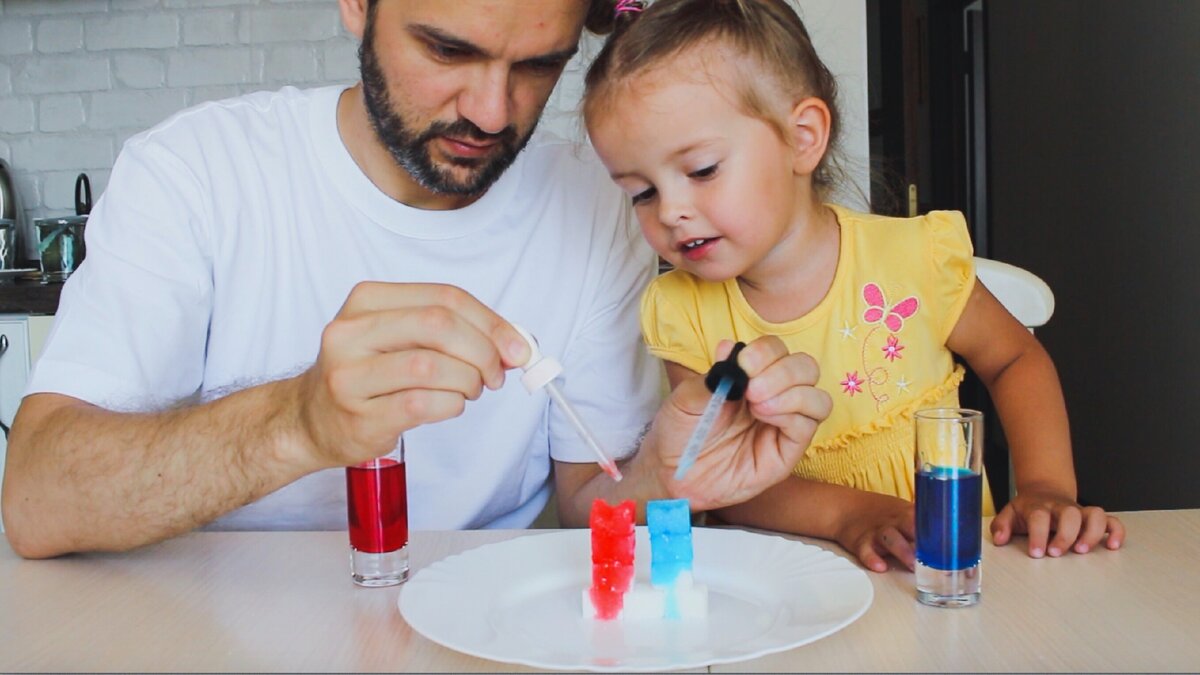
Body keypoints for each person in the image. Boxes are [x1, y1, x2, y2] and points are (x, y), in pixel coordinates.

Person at [0, 0, 833, 559]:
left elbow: (592, 503)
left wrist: (667, 478)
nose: (492, 111)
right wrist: (297, 421)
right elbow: (37, 502)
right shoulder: (196, 175)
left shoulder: (599, 201)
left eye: (539, 65)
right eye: (447, 49)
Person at [582, 0, 1125, 572]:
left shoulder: (913, 258)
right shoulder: (680, 310)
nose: (671, 212)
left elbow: (1016, 361)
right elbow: (718, 470)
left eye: (701, 170)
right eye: (641, 192)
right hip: (796, 579)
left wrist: (1045, 486)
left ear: (803, 137)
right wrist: (848, 514)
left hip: (954, 571)